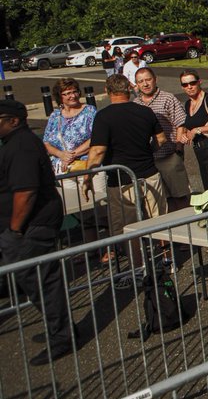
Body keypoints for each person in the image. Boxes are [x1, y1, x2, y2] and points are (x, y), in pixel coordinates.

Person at [1, 98, 80, 366]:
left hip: (30, 227)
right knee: (34, 282)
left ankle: (62, 337)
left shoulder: (22, 146)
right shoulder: (15, 143)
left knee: (42, 283)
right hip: (26, 228)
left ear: (13, 121)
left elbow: (25, 192)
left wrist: (15, 229)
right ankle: (61, 330)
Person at [84, 74, 167, 286]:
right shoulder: (145, 111)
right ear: (129, 90)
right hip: (149, 174)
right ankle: (163, 262)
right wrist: (147, 153)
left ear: (107, 91)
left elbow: (97, 151)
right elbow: (161, 139)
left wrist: (87, 177)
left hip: (120, 180)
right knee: (158, 221)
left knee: (129, 229)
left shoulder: (103, 117)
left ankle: (138, 269)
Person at [134, 67, 191, 211]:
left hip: (169, 157)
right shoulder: (135, 104)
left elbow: (180, 123)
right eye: (141, 81)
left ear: (155, 79)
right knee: (161, 200)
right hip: (149, 161)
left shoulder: (168, 98)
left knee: (180, 197)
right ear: (137, 84)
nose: (145, 84)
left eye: (148, 80)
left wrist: (178, 148)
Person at [42, 78, 102, 208]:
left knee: (98, 204)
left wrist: (72, 155)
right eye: (67, 93)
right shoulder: (55, 115)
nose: (73, 96)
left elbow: (96, 138)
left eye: (75, 92)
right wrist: (61, 155)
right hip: (64, 169)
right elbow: (46, 143)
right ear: (60, 96)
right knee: (74, 206)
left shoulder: (90, 111)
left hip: (88, 166)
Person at [179, 70, 208, 190]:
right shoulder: (188, 104)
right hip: (198, 150)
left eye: (192, 83)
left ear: (199, 82)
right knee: (207, 186)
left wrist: (197, 130)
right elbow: (189, 125)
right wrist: (185, 134)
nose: (189, 87)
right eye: (185, 85)